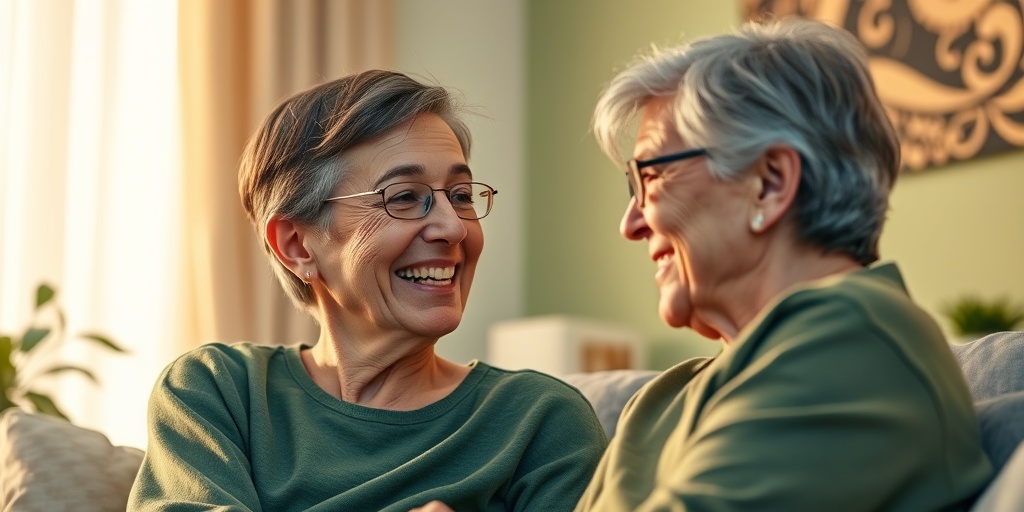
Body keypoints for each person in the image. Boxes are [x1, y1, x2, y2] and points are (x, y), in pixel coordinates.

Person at [127, 70, 607, 511]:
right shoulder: (218, 391)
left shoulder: (539, 422)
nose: (453, 228)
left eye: (461, 196)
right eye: (403, 197)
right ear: (296, 245)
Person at [573, 17, 993, 511]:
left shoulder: (852, 339)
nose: (631, 224)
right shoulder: (662, 399)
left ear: (770, 184)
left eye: (651, 176)